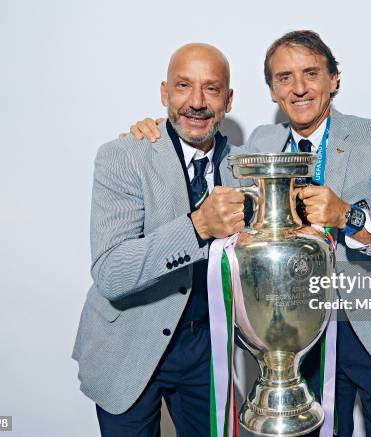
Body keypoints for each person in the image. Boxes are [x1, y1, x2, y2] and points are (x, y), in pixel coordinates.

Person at [126, 30, 371, 437]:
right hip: (296, 342)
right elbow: (195, 142)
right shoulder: (260, 143)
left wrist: (349, 216)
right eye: (284, 78)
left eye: (311, 73)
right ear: (272, 91)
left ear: (335, 80)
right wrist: (153, 135)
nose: (299, 88)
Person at [71, 43, 247, 437]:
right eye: (184, 86)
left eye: (212, 89)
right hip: (128, 343)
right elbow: (111, 273)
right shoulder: (123, 156)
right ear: (165, 93)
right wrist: (198, 226)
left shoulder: (244, 167)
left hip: (207, 352)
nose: (197, 102)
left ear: (229, 100)